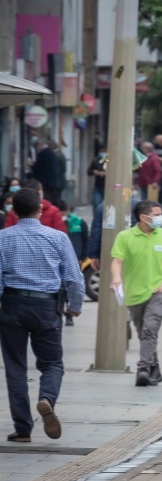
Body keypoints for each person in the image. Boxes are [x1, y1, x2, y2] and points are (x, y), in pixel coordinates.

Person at [0, 189, 84, 443]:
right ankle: (46, 398)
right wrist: (75, 305)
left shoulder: (2, 238)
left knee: (15, 368)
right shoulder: (58, 238)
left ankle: (23, 428)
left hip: (12, 306)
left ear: (13, 211)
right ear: (40, 210)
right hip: (46, 307)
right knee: (52, 363)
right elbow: (74, 277)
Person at [110, 200, 162, 386]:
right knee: (144, 334)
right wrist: (116, 278)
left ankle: (143, 368)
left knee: (150, 329)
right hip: (134, 294)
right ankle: (154, 369)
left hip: (159, 292)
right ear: (143, 217)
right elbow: (116, 260)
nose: (160, 217)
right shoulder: (125, 237)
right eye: (156, 214)